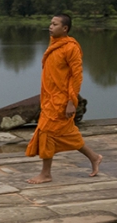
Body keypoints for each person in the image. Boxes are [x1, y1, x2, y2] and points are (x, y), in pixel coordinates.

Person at [26, 14, 103, 183]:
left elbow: (76, 76)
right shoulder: (55, 43)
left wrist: (71, 101)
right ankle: (94, 157)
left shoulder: (71, 48)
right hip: (50, 98)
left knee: (47, 132)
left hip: (61, 99)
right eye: (50, 24)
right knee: (66, 133)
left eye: (55, 24)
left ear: (65, 28)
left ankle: (46, 174)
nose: (50, 27)